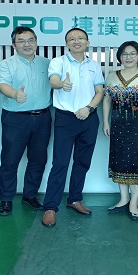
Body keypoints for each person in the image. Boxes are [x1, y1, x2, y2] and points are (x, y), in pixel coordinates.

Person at [41, 28, 105, 228]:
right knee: (60, 163)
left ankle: (75, 199)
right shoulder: (58, 62)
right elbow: (53, 81)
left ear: (87, 42)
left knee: (82, 162)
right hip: (65, 119)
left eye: (80, 38)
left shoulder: (94, 65)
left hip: (89, 118)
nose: (76, 41)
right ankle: (50, 207)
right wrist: (62, 84)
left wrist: (89, 108)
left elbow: (100, 91)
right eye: (72, 39)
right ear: (67, 43)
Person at [0, 26, 51, 216]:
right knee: (10, 160)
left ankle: (30, 196)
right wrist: (14, 94)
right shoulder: (6, 64)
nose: (27, 44)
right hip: (15, 118)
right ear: (14, 45)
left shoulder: (47, 63)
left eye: (30, 40)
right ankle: (6, 199)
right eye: (21, 41)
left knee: (38, 159)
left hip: (42, 118)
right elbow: (2, 84)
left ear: (36, 42)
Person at [102, 41, 138, 221]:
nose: (129, 57)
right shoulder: (112, 76)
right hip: (118, 125)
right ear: (119, 57)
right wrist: (105, 122)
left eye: (133, 53)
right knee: (120, 160)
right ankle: (123, 199)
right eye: (125, 54)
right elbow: (107, 99)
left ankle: (134, 202)